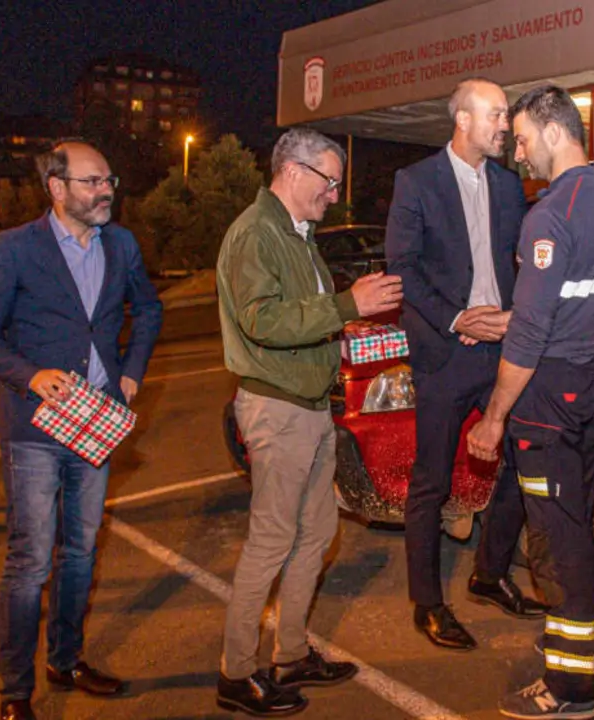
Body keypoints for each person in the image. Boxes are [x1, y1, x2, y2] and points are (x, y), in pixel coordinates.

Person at [0, 140, 163, 720]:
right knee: (30, 561)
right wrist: (30, 375)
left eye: (109, 181)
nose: (106, 192)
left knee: (80, 552)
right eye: (92, 181)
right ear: (56, 188)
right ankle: (15, 690)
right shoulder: (13, 248)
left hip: (95, 421)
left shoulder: (121, 243)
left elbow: (148, 310)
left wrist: (131, 372)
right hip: (34, 427)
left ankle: (66, 659)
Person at [215, 128, 403, 717]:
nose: (335, 194)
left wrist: (352, 323)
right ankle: (235, 674)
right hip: (279, 411)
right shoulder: (257, 233)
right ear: (293, 172)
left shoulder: (298, 235)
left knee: (318, 533)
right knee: (271, 540)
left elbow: (308, 316)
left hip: (312, 407)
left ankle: (291, 654)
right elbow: (263, 320)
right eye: (329, 181)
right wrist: (348, 305)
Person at [466, 84, 594, 720]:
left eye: (525, 139)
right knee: (576, 520)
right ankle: (585, 642)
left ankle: (570, 689)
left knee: (559, 540)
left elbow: (534, 333)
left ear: (555, 133)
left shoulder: (550, 214)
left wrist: (494, 418)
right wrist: (508, 319)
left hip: (548, 398)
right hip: (592, 382)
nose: (520, 153)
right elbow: (580, 302)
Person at [386, 77, 547, 652]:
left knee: (524, 456)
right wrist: (457, 319)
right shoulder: (417, 182)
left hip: (501, 351)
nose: (505, 125)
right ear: (463, 120)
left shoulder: (507, 184)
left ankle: (489, 573)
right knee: (431, 482)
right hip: (445, 354)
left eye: (506, 116)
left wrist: (516, 313)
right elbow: (402, 267)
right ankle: (427, 603)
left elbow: (521, 261)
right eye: (496, 114)